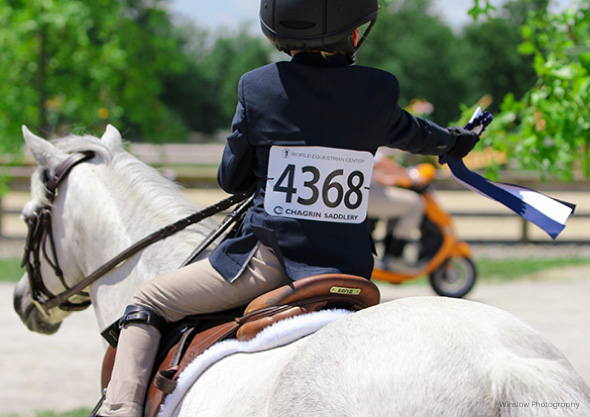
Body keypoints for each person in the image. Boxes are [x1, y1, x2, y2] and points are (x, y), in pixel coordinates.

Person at [97, 1, 480, 416]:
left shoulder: (257, 86)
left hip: (267, 265)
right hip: (348, 267)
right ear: (353, 35)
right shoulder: (377, 90)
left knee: (148, 299)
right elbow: (420, 134)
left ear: (276, 34)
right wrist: (458, 140)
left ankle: (119, 410)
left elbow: (231, 178)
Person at [368, 150, 425, 264]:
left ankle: (389, 253)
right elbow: (380, 162)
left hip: (362, 193)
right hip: (366, 195)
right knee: (415, 203)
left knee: (399, 205)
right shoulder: (365, 137)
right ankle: (395, 255)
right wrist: (409, 176)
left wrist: (388, 179)